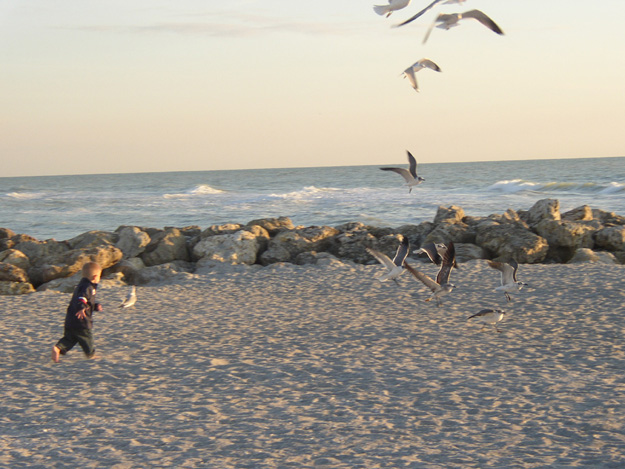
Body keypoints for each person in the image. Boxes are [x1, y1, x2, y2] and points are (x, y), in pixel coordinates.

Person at [52, 262, 103, 363]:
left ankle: (58, 348)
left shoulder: (81, 285)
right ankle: (90, 355)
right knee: (87, 338)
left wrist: (95, 306)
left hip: (71, 319)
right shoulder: (87, 287)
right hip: (82, 320)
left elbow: (87, 301)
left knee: (70, 338)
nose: (99, 279)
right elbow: (82, 299)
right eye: (99, 277)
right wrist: (81, 308)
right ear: (95, 277)